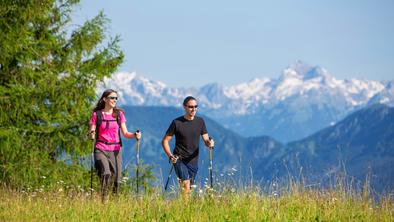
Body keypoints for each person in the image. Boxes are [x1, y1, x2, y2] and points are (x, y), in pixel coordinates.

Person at [88, 89, 141, 202]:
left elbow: (125, 133)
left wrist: (135, 135)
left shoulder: (118, 114)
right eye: (112, 98)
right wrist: (91, 134)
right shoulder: (96, 114)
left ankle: (114, 200)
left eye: (116, 98)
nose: (114, 100)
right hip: (100, 148)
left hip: (116, 149)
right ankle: (104, 199)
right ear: (104, 99)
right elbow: (92, 129)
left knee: (117, 179)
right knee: (106, 173)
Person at [162, 96, 214, 197]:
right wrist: (170, 156)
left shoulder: (200, 121)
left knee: (188, 189)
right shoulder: (176, 123)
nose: (193, 109)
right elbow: (164, 141)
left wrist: (210, 143)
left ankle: (184, 208)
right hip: (179, 159)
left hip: (193, 161)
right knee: (186, 184)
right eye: (190, 107)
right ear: (184, 107)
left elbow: (206, 140)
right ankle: (185, 208)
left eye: (195, 106)